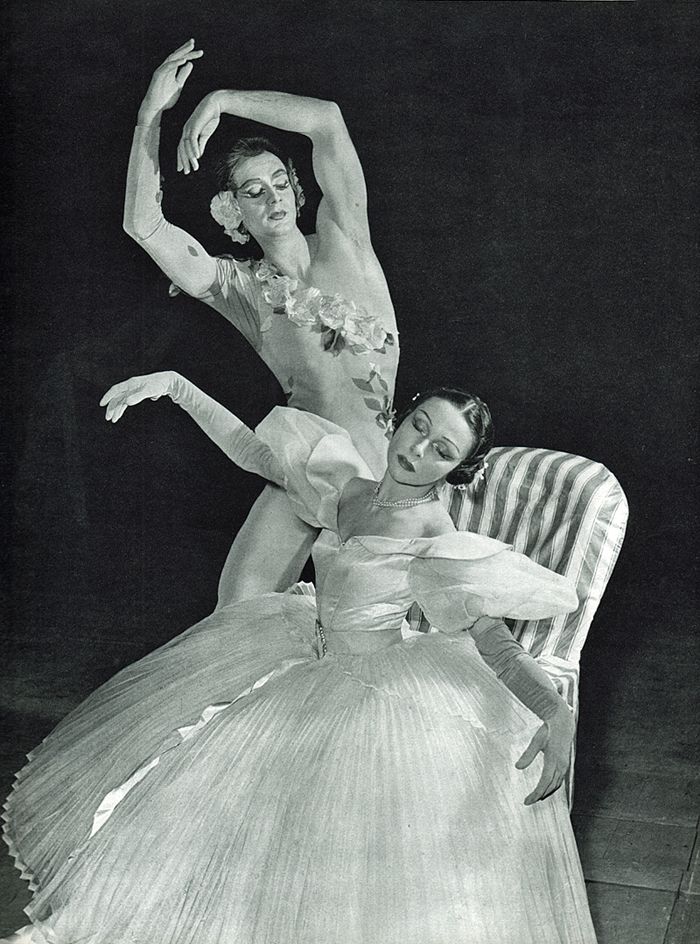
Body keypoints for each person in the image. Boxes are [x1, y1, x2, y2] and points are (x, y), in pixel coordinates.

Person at [2, 372, 597, 944]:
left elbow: (493, 637)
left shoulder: (432, 535)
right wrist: (176, 387)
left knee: (332, 855)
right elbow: (254, 452)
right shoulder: (351, 487)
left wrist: (554, 709)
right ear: (401, 418)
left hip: (373, 686)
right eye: (418, 426)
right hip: (305, 651)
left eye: (442, 450)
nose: (418, 450)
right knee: (194, 775)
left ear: (457, 469)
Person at [123, 40, 398, 606]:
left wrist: (222, 99)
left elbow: (327, 121)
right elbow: (143, 225)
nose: (271, 198)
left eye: (278, 183)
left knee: (381, 637)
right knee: (239, 606)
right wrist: (152, 113)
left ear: (297, 192)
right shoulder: (238, 288)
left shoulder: (347, 236)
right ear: (234, 214)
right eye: (253, 192)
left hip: (380, 474)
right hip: (304, 469)